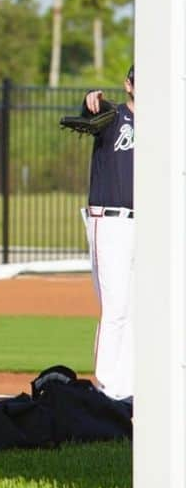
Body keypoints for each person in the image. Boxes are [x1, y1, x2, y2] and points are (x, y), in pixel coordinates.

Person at [80, 63, 135, 400]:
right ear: (128, 84)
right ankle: (108, 388)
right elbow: (88, 116)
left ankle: (129, 386)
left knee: (138, 306)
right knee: (115, 306)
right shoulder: (113, 117)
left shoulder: (166, 123)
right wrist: (90, 101)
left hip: (149, 222)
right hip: (110, 220)